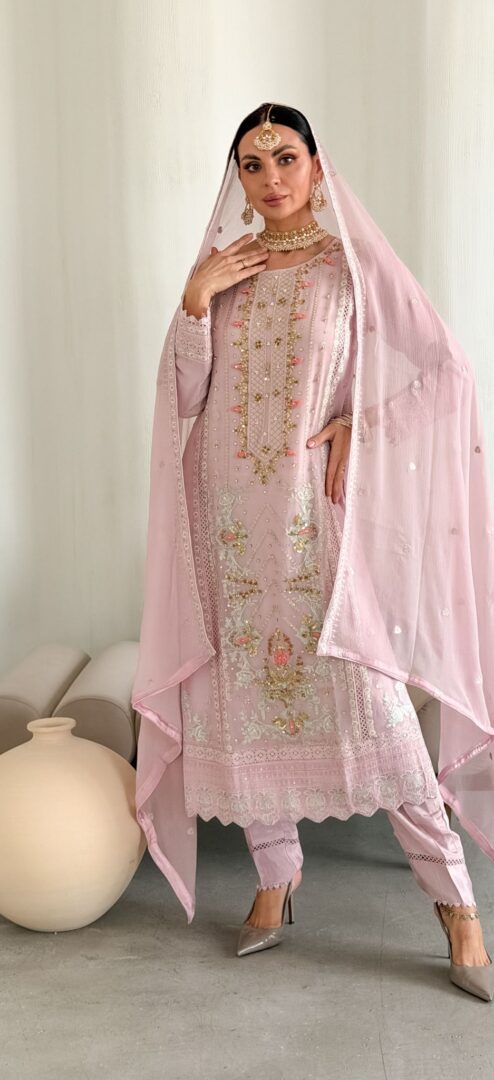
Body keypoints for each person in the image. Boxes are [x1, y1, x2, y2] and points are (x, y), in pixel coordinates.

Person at [132, 103, 494, 1001]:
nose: (270, 178)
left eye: (285, 157)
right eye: (251, 165)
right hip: (227, 527)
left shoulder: (352, 268)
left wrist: (362, 429)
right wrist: (194, 301)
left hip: (314, 527)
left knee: (374, 706)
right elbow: (187, 397)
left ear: (318, 167)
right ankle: (276, 875)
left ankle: (457, 906)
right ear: (238, 180)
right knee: (243, 698)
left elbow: (445, 372)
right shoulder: (225, 272)